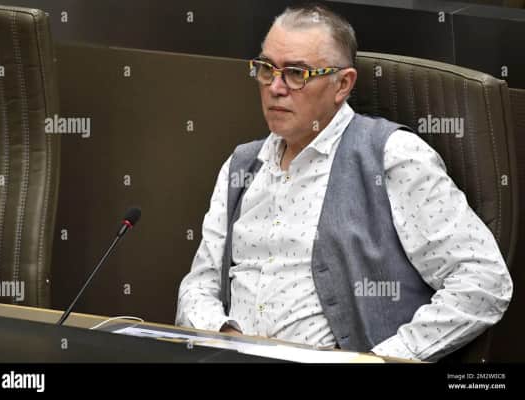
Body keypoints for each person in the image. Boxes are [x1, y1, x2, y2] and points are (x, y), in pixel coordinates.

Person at [175, 3, 513, 361]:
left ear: (342, 84)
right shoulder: (241, 165)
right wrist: (226, 340)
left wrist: (381, 360)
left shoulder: (394, 156)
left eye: (296, 74)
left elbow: (484, 280)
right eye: (266, 69)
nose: (275, 87)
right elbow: (200, 284)